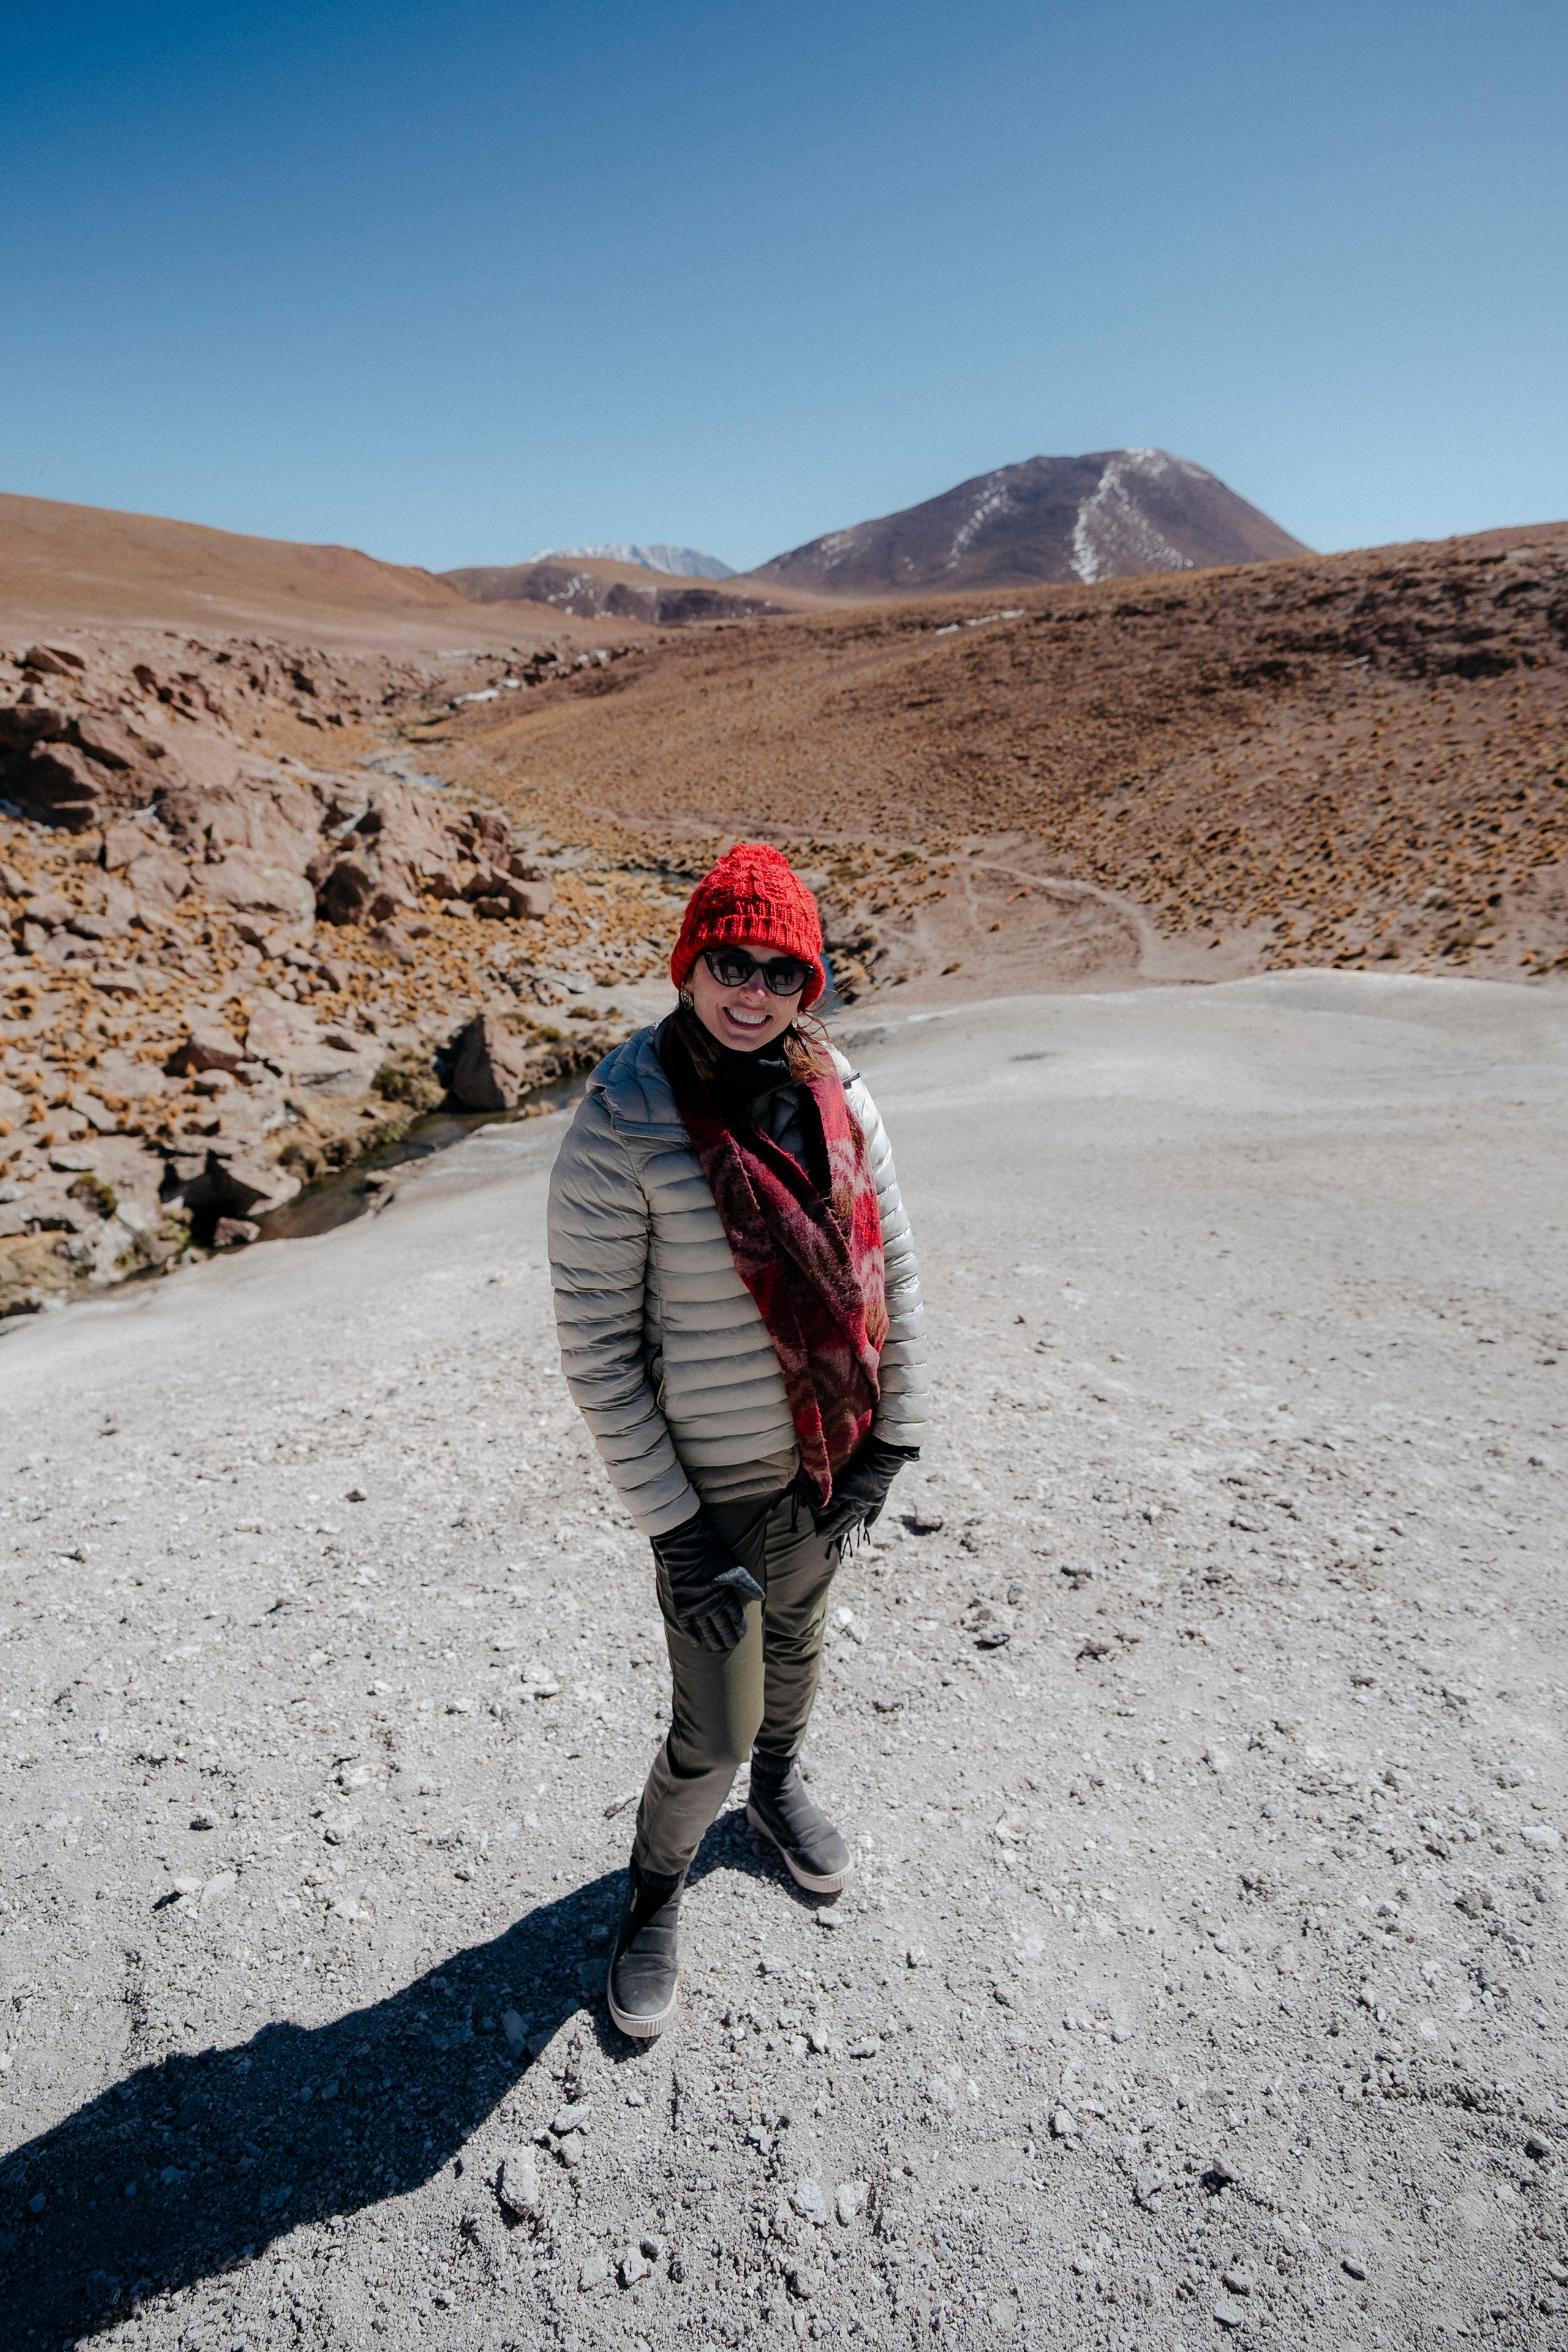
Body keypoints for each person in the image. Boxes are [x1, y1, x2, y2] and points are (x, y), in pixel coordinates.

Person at [546, 842, 929, 2038]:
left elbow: (892, 1271)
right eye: (729, 962)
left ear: (805, 982)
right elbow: (599, 1354)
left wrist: (893, 1436)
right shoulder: (626, 1118)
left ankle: (774, 1795)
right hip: (708, 1489)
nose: (751, 990)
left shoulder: (836, 1092)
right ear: (689, 963)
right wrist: (672, 1532)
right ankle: (653, 1893)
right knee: (707, 1728)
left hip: (824, 1461)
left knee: (799, 1654)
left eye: (779, 968)